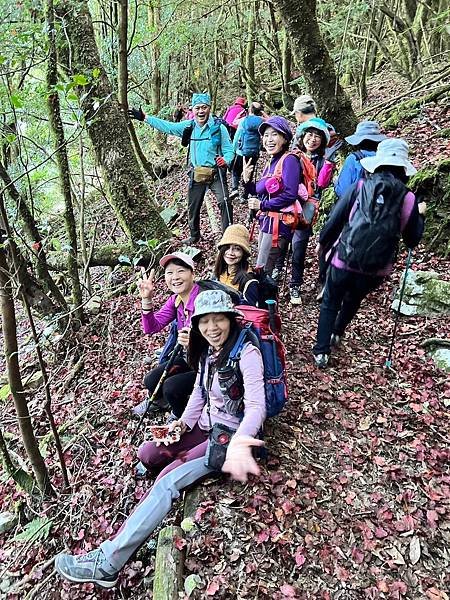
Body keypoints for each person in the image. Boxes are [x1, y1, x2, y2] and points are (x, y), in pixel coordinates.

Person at [54, 290, 266, 589]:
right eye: (204, 322)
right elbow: (199, 394)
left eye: (219, 319)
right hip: (204, 425)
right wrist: (181, 425)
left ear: (230, 320)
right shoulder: (208, 351)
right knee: (149, 453)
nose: (212, 327)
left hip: (228, 437)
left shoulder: (247, 352)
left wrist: (243, 441)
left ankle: (109, 562)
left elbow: (257, 406)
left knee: (167, 479)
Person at [312, 138, 426, 368]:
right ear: (404, 168)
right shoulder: (408, 198)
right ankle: (337, 332)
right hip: (376, 268)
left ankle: (321, 351)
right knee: (354, 298)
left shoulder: (361, 187)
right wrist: (420, 216)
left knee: (331, 300)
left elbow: (335, 220)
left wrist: (323, 243)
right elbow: (412, 239)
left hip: (345, 258)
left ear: (378, 163)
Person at [129, 93, 235, 244]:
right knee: (193, 206)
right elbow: (168, 127)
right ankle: (194, 235)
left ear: (209, 108)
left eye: (204, 107)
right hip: (196, 173)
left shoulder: (219, 128)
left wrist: (225, 159)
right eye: (197, 108)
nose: (201, 111)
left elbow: (229, 150)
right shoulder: (189, 126)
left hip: (216, 172)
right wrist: (145, 117)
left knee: (225, 202)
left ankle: (228, 236)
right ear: (192, 109)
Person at [133, 251, 200, 418]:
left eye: (181, 271)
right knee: (151, 380)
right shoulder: (176, 300)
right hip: (189, 358)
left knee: (171, 387)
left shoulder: (203, 300)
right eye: (169, 272)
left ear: (193, 273)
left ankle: (182, 417)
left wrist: (195, 339)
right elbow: (151, 328)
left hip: (207, 364)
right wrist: (146, 299)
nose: (175, 277)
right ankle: (162, 402)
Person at [275, 117, 334, 305]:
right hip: (288, 204)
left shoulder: (323, 161)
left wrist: (329, 164)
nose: (313, 139)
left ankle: (295, 285)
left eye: (317, 136)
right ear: (303, 136)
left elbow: (322, 184)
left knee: (299, 247)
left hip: (307, 207)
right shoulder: (292, 156)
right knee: (282, 242)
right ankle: (275, 275)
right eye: (310, 134)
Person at [243, 116, 301, 276]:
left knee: (264, 270)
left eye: (274, 134)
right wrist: (246, 181)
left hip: (278, 225)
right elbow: (258, 191)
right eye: (266, 135)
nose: (269, 139)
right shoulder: (271, 163)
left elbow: (290, 194)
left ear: (284, 138)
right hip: (266, 222)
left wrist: (262, 206)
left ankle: (265, 300)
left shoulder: (289, 160)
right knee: (261, 267)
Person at [334, 121, 386, 201]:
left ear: (357, 141)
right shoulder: (386, 158)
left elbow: (343, 191)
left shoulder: (353, 159)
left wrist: (336, 183)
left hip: (359, 207)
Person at [214, 224, 259, 306]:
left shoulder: (248, 281)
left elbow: (251, 312)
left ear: (243, 253)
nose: (230, 253)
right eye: (227, 247)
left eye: (237, 249)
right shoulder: (219, 273)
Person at [229, 102, 265, 202]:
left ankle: (235, 189)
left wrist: (233, 149)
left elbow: (234, 125)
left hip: (241, 151)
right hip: (254, 152)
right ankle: (245, 195)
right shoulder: (261, 121)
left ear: (250, 109)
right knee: (249, 172)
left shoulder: (244, 120)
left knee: (236, 171)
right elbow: (271, 121)